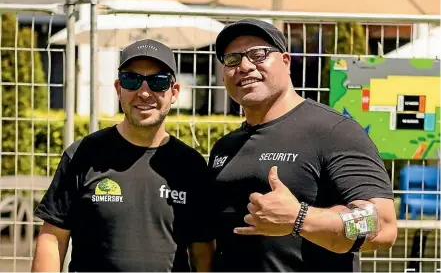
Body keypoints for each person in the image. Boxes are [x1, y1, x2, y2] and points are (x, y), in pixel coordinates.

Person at [209, 18, 398, 272]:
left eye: (258, 54)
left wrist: (300, 218)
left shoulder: (334, 131)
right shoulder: (224, 148)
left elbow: (383, 226)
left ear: (286, 62)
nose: (244, 66)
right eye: (232, 59)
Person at [32, 39, 215, 272]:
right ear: (119, 89)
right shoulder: (83, 154)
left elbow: (202, 252)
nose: (144, 93)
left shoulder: (191, 166)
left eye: (158, 82)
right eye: (132, 80)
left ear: (174, 92)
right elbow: (53, 237)